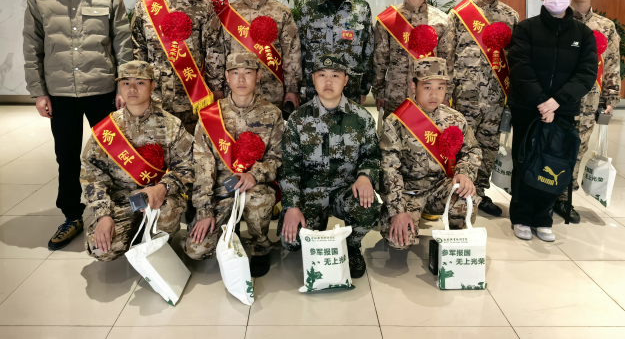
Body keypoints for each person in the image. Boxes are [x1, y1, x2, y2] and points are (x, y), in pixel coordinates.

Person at [22, 0, 132, 251]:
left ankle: (115, 211)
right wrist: (39, 92)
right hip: (61, 94)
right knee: (67, 156)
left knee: (112, 154)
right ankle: (72, 214)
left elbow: (123, 44)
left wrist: (124, 87)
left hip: (102, 91)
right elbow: (32, 46)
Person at [507, 0, 597, 242]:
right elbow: (520, 67)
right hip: (528, 108)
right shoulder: (526, 28)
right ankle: (522, 216)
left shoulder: (583, 33)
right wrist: (541, 102)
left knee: (555, 162)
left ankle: (543, 217)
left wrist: (556, 101)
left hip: (563, 110)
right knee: (525, 160)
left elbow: (586, 73)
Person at [279, 53, 381, 279]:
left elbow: (372, 156)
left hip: (344, 191)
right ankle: (318, 231)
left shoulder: (362, 118)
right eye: (321, 75)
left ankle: (352, 246)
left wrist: (365, 177)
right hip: (309, 193)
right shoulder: (297, 119)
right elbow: (288, 167)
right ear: (313, 79)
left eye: (335, 75)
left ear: (345, 80)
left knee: (369, 206)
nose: (328, 81)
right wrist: (292, 206)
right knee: (291, 241)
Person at [182, 52, 282, 278]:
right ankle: (229, 225)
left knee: (258, 199)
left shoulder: (272, 114)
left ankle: (260, 246)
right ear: (227, 77)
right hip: (220, 189)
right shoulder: (210, 116)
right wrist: (205, 211)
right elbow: (202, 167)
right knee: (196, 250)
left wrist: (254, 175)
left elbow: (277, 158)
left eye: (248, 72)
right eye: (235, 73)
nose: (241, 79)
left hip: (253, 187)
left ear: (258, 76)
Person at [82, 61, 193, 261]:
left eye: (140, 82)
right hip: (121, 201)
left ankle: (155, 239)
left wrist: (164, 187)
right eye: (126, 83)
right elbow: (91, 174)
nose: (132, 88)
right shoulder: (107, 129)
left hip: (159, 199)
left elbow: (187, 166)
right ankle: (135, 236)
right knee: (100, 250)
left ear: (152, 86)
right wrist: (103, 214)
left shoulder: (171, 125)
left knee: (167, 213)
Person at [379, 57, 482, 249]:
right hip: (408, 190)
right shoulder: (396, 121)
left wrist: (465, 173)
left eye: (440, 87)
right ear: (413, 86)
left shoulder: (455, 119)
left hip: (440, 187)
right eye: (427, 87)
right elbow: (388, 167)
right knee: (398, 242)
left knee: (465, 200)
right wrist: (398, 210)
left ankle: (454, 242)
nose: (434, 94)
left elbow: (472, 150)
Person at [549, 0, 621, 223]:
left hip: (588, 100)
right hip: (556, 98)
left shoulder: (605, 26)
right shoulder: (556, 18)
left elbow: (611, 64)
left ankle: (564, 197)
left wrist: (610, 98)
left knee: (578, 148)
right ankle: (545, 193)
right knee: (551, 144)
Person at [450, 0, 519, 217]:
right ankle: (457, 191)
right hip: (464, 96)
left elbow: (515, 59)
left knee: (489, 146)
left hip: (495, 98)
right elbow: (448, 56)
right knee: (461, 145)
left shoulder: (511, 16)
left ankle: (479, 193)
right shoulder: (459, 14)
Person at [132, 0, 220, 134]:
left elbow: (214, 49)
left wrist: (216, 89)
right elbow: (138, 50)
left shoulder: (202, 4)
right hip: (154, 99)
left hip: (192, 99)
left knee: (192, 150)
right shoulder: (143, 5)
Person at [207, 0, 302, 111]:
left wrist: (292, 89)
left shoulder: (282, 13)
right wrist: (216, 86)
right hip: (236, 96)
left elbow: (291, 52)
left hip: (273, 94)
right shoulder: (228, 14)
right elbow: (216, 52)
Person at [373, 0, 454, 119]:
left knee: (427, 134)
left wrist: (446, 94)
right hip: (396, 95)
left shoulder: (442, 20)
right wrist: (379, 92)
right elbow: (380, 60)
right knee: (394, 134)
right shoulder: (389, 19)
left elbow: (447, 61)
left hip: (430, 97)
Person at [298, 0, 375, 105]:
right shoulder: (308, 9)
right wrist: (299, 87)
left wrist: (364, 88)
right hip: (315, 90)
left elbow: (369, 50)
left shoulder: (361, 8)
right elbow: (299, 50)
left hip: (350, 88)